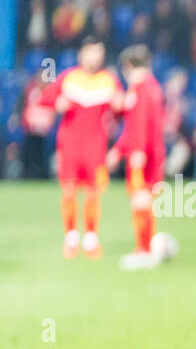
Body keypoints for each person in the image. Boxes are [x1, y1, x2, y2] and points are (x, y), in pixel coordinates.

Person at [33, 35, 123, 259]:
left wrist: (118, 107)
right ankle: (71, 238)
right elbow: (44, 98)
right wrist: (57, 104)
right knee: (70, 191)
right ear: (82, 54)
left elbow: (121, 109)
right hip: (70, 144)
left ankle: (91, 239)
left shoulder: (109, 80)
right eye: (92, 51)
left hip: (96, 145)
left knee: (93, 192)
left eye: (99, 52)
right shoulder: (69, 78)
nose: (95, 56)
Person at [108, 45, 166, 270]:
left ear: (127, 67)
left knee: (140, 200)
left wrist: (137, 152)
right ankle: (148, 248)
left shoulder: (140, 90)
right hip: (152, 153)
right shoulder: (153, 88)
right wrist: (119, 150)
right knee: (145, 201)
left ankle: (143, 251)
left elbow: (139, 125)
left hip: (143, 155)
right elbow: (135, 127)